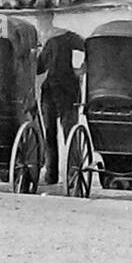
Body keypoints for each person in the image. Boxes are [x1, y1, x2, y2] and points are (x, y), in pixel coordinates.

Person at [35, 9, 85, 186]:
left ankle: (73, 174)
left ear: (50, 18)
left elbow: (87, 47)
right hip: (49, 91)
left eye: (44, 18)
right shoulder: (38, 38)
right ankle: (51, 174)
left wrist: (81, 69)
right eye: (39, 18)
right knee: (49, 133)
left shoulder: (64, 36)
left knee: (69, 133)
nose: (41, 21)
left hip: (67, 90)